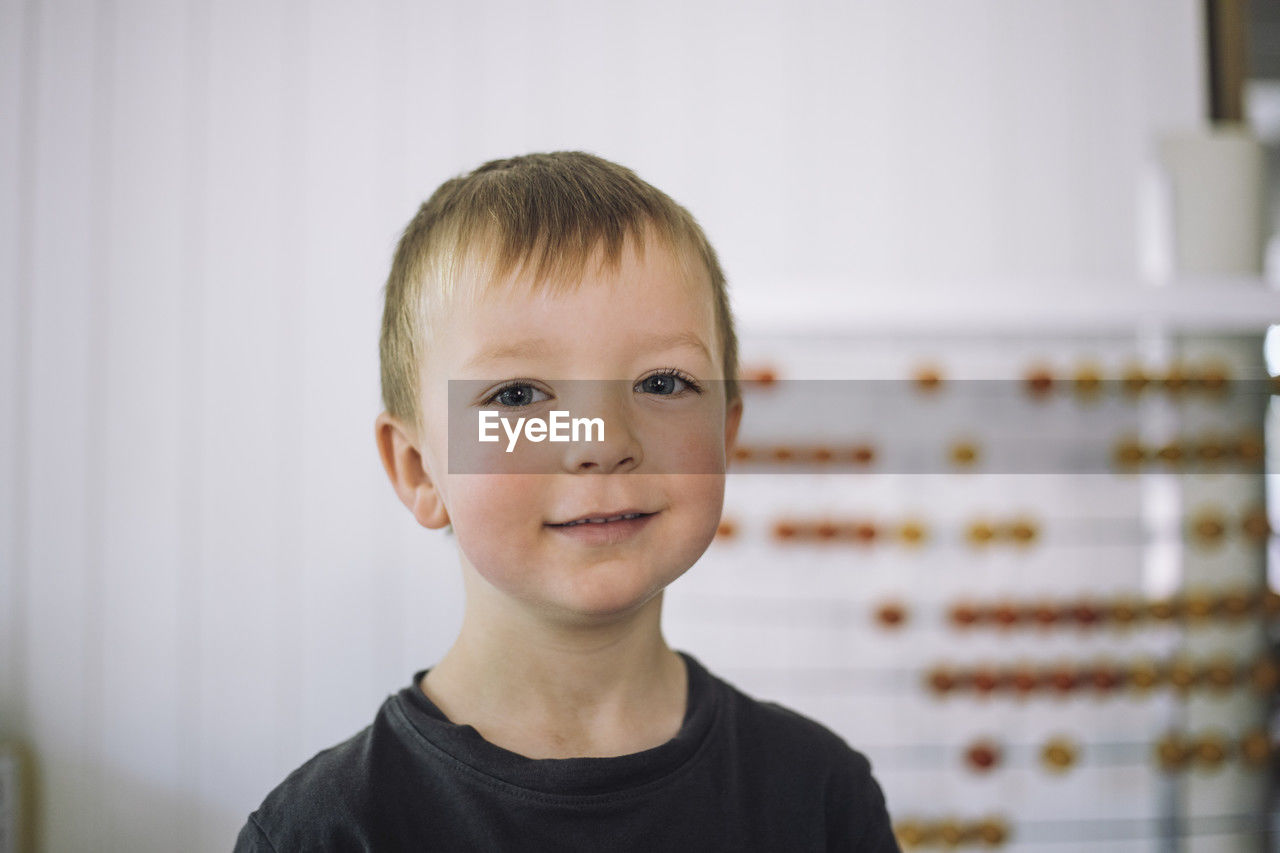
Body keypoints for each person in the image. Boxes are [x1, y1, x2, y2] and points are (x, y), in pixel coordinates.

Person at [234, 151, 900, 851]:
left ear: (725, 433)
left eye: (664, 383)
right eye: (518, 395)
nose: (604, 440)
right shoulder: (323, 833)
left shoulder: (821, 794)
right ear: (419, 470)